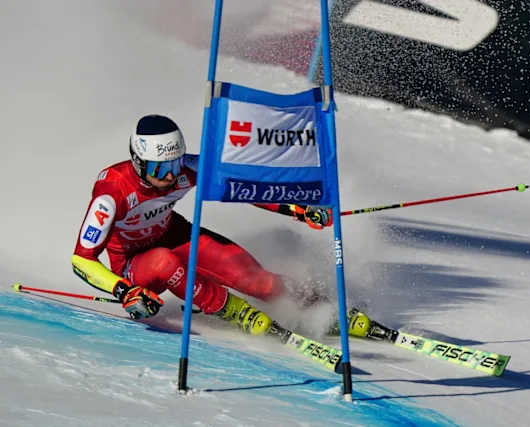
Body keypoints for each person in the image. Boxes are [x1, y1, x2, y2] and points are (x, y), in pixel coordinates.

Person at [71, 115, 334, 336]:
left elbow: (241, 186)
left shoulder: (187, 168)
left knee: (256, 280)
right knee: (163, 261)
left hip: (173, 235)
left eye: (175, 164)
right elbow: (82, 259)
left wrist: (295, 207)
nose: (170, 175)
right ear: (138, 162)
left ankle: (312, 303)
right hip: (134, 267)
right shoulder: (112, 191)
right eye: (159, 169)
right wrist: (124, 291)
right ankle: (232, 309)